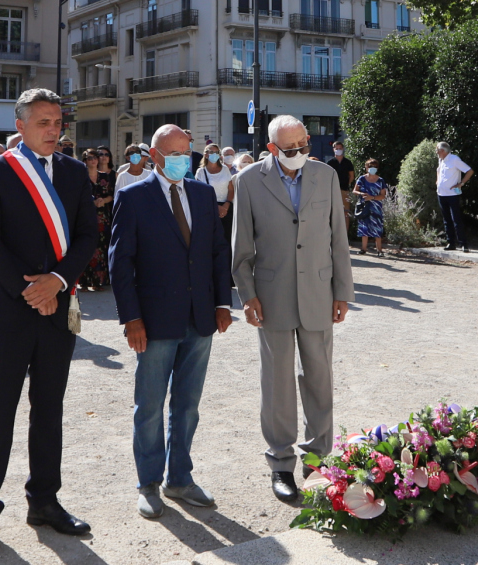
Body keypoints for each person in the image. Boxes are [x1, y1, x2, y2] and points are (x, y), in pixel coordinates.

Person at [0, 89, 99, 561]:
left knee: (49, 409)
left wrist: (58, 281)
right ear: (19, 125)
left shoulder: (76, 172)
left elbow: (87, 235)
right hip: (6, 310)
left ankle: (44, 500)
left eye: (57, 121)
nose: (53, 129)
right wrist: (31, 289)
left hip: (56, 307)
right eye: (43, 122)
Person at [109, 124, 233, 519]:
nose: (183, 160)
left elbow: (216, 252)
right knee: (149, 405)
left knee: (188, 405)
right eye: (174, 154)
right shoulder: (133, 197)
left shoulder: (201, 192)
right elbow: (120, 262)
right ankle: (148, 483)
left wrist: (222, 304)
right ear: (154, 156)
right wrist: (131, 318)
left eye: (187, 153)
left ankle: (179, 478)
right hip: (155, 320)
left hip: (199, 319)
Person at [231, 115, 354, 505]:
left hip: (319, 292)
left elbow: (339, 239)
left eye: (304, 144)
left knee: (320, 378)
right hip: (272, 296)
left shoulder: (326, 176)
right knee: (278, 383)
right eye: (291, 149)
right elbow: (241, 247)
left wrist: (342, 291)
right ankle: (281, 464)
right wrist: (247, 294)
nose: (301, 152)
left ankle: (318, 460)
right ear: (271, 149)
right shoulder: (249, 181)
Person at [78, 148, 116, 291]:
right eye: (90, 158)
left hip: (102, 217)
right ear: (85, 161)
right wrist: (90, 202)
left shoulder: (104, 177)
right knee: (87, 246)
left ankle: (99, 281)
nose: (93, 160)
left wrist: (103, 201)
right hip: (86, 216)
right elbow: (76, 196)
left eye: (95, 157)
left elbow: (112, 195)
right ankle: (85, 281)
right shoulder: (81, 177)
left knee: (102, 247)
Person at [193, 143, 235, 248]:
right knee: (212, 241)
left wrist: (226, 205)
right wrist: (216, 207)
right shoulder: (201, 172)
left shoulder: (225, 169)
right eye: (211, 152)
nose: (214, 154)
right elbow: (199, 194)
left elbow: (230, 189)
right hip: (209, 209)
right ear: (206, 155)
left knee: (227, 239)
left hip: (227, 208)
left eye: (216, 152)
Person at [434, 141, 474, 252]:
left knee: (456, 219)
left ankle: (463, 244)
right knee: (446, 220)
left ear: (442, 151)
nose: (436, 152)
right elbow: (438, 170)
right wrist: (438, 181)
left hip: (452, 195)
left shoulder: (454, 159)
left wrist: (461, 184)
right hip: (441, 194)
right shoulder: (441, 160)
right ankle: (451, 243)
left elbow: (469, 171)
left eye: (437, 150)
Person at [354, 158, 388, 255]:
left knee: (377, 228)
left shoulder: (381, 180)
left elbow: (383, 195)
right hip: (364, 206)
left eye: (375, 167)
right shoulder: (362, 179)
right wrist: (362, 194)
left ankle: (379, 250)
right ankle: (363, 249)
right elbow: (355, 190)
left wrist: (372, 197)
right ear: (366, 167)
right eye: (370, 166)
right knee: (364, 227)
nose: (372, 168)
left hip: (376, 207)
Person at [326, 140, 353, 219]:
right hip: (333, 190)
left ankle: (346, 231)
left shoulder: (348, 162)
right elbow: (327, 177)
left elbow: (351, 176)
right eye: (336, 148)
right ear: (333, 149)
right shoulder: (330, 163)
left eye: (340, 148)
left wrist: (347, 184)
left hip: (344, 190)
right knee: (334, 212)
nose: (338, 150)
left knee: (346, 212)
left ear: (343, 149)